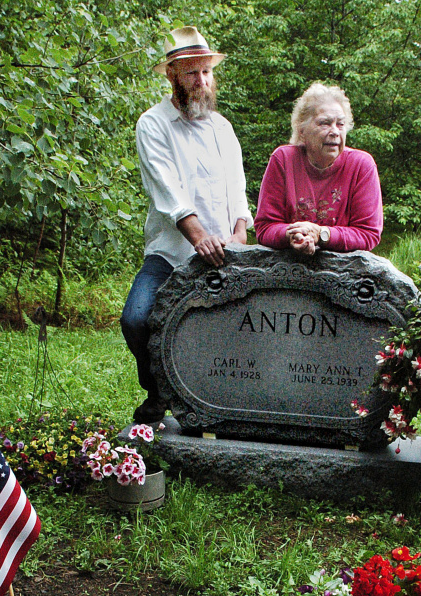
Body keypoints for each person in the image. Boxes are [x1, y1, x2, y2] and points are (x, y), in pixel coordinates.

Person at [121, 27, 252, 424]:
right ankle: (159, 391)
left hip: (226, 254)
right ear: (172, 75)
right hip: (171, 252)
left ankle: (224, 402)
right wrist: (198, 238)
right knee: (137, 319)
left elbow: (237, 187)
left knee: (232, 330)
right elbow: (168, 191)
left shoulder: (222, 128)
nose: (202, 81)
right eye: (192, 73)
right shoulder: (153, 123)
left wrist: (239, 235)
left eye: (207, 73)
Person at [254, 83, 382, 256]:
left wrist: (322, 234)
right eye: (325, 123)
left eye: (340, 124)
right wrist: (292, 234)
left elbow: (369, 234)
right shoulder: (283, 159)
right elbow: (265, 227)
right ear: (302, 131)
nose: (335, 131)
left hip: (346, 274)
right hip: (287, 270)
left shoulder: (362, 165)